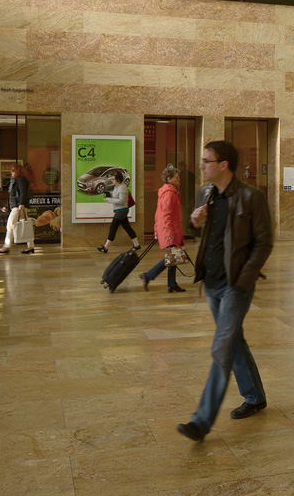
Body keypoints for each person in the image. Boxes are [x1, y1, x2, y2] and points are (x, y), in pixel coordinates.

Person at [176, 140, 273, 443]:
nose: (201, 165)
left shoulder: (250, 197)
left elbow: (264, 242)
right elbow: (201, 233)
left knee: (221, 348)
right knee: (234, 341)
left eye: (206, 161)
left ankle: (201, 421)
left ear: (223, 165)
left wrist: (243, 281)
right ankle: (254, 396)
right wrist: (193, 223)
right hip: (212, 282)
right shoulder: (206, 194)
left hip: (235, 286)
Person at [139, 165, 186, 293]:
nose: (179, 179)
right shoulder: (169, 193)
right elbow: (165, 214)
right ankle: (148, 275)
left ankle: (172, 284)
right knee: (171, 257)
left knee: (174, 256)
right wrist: (169, 233)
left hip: (168, 228)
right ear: (169, 179)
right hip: (169, 229)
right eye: (177, 177)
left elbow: (158, 213)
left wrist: (156, 229)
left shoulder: (167, 191)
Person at [96, 170, 140, 253]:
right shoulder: (117, 186)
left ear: (118, 180)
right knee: (128, 228)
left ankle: (106, 247)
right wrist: (109, 194)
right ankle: (137, 245)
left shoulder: (122, 187)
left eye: (113, 179)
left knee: (113, 228)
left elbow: (122, 200)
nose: (112, 180)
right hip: (120, 210)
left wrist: (110, 200)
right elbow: (116, 196)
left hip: (121, 211)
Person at [0, 164, 34, 255]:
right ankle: (30, 246)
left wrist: (21, 203)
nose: (11, 172)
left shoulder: (20, 180)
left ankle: (6, 246)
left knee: (10, 226)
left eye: (13, 170)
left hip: (18, 207)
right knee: (25, 225)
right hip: (17, 206)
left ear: (18, 171)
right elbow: (12, 196)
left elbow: (23, 193)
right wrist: (7, 206)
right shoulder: (16, 181)